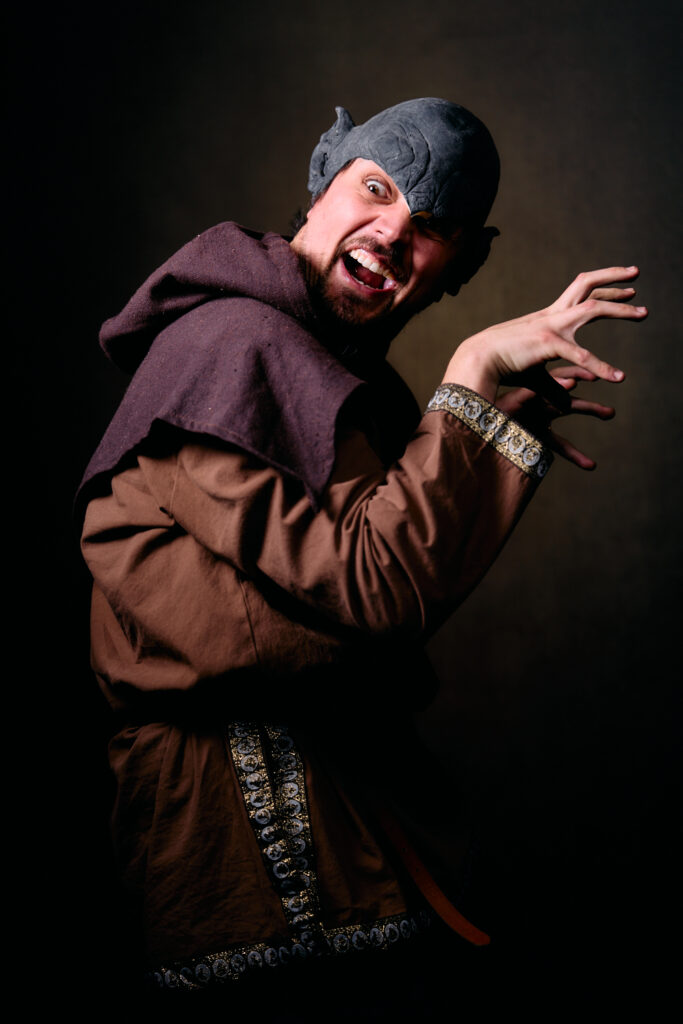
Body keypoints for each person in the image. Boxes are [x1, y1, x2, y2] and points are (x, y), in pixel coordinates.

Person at [78, 98, 646, 1001]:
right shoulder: (232, 342)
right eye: (376, 189)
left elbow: (378, 602)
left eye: (432, 227)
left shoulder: (338, 376)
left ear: (464, 264)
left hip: (353, 811)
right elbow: (376, 591)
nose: (392, 233)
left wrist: (487, 426)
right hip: (236, 830)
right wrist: (469, 377)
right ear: (321, 181)